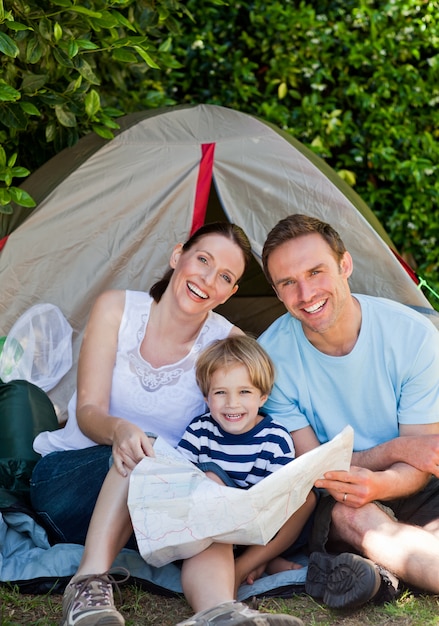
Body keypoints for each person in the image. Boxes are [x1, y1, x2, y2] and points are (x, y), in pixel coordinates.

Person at [30, 222, 303, 626]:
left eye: (225, 277)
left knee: (208, 488)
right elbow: (87, 410)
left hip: (156, 502)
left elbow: (253, 406)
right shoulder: (117, 308)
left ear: (230, 293)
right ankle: (86, 587)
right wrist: (120, 431)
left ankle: (219, 613)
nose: (208, 280)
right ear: (178, 256)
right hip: (72, 479)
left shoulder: (227, 343)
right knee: (146, 452)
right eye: (203, 260)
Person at [258, 213, 439, 609]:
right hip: (338, 493)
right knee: (351, 517)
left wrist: (384, 481)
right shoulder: (270, 360)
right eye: (288, 283)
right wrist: (392, 452)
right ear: (276, 291)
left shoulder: (412, 337)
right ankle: (377, 564)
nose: (305, 293)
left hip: (416, 483)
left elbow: (422, 457)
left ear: (345, 265)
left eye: (316, 271)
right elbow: (316, 468)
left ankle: (373, 574)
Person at [177, 335, 317, 596]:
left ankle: (249, 563)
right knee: (209, 477)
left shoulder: (275, 438)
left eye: (244, 392)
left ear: (262, 396)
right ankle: (256, 563)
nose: (232, 403)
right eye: (220, 392)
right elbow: (180, 481)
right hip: (213, 533)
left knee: (306, 499)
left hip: (260, 526)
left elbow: (278, 500)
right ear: (207, 398)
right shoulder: (200, 431)